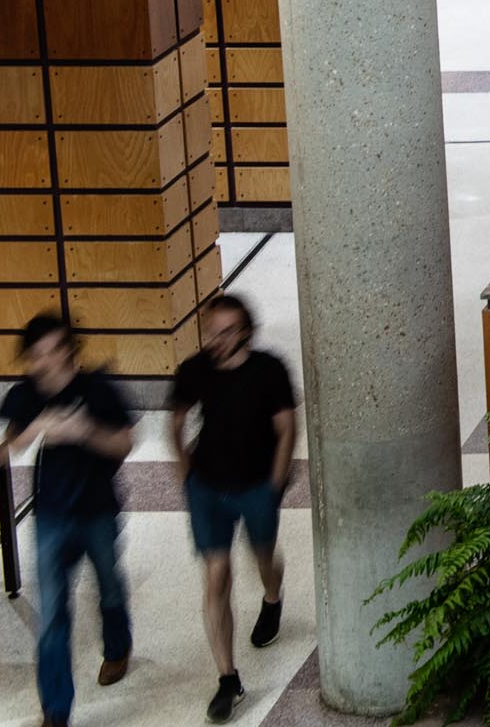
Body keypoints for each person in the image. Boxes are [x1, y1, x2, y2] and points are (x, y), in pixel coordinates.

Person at [0, 313, 135, 727]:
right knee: (53, 612)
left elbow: (125, 443)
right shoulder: (26, 396)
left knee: (109, 585)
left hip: (97, 509)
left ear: (71, 350)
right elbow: (8, 445)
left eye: (57, 350)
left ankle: (117, 647)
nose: (49, 361)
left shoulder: (99, 390)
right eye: (39, 354)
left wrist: (84, 432)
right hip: (52, 517)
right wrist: (40, 426)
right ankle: (56, 710)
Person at [168, 295, 298, 724]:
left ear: (244, 331)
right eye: (210, 332)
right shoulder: (194, 370)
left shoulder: (268, 370)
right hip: (207, 488)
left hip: (256, 486)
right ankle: (228, 678)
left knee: (263, 555)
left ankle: (273, 597)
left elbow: (285, 429)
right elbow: (176, 420)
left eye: (225, 332)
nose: (215, 341)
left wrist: (275, 485)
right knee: (216, 575)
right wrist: (186, 474)